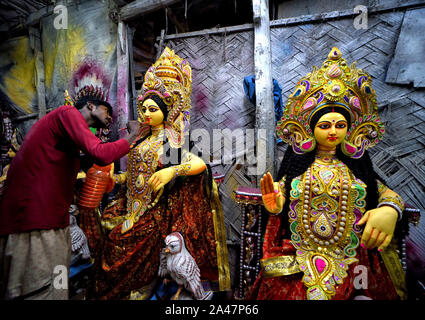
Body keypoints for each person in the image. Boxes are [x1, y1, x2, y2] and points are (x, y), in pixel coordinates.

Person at [247, 47, 406, 300]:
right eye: (325, 125)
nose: (333, 131)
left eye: (340, 125)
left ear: (351, 129)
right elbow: (282, 198)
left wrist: (389, 210)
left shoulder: (357, 169)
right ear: (310, 129)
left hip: (350, 259)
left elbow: (387, 193)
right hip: (299, 257)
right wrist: (276, 205)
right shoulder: (298, 168)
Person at [79, 48, 230, 300]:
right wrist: (115, 180)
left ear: (167, 110)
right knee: (106, 225)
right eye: (145, 109)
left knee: (120, 240)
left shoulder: (170, 140)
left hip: (154, 212)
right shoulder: (141, 140)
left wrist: (172, 170)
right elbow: (136, 175)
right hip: (129, 206)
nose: (147, 115)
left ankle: (136, 290)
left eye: (153, 109)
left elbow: (200, 165)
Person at [0, 85, 142, 300]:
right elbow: (101, 154)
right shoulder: (68, 114)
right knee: (40, 287)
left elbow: (95, 158)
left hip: (53, 221)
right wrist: (134, 135)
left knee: (58, 280)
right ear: (90, 106)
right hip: (34, 222)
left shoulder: (67, 136)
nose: (110, 118)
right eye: (107, 111)